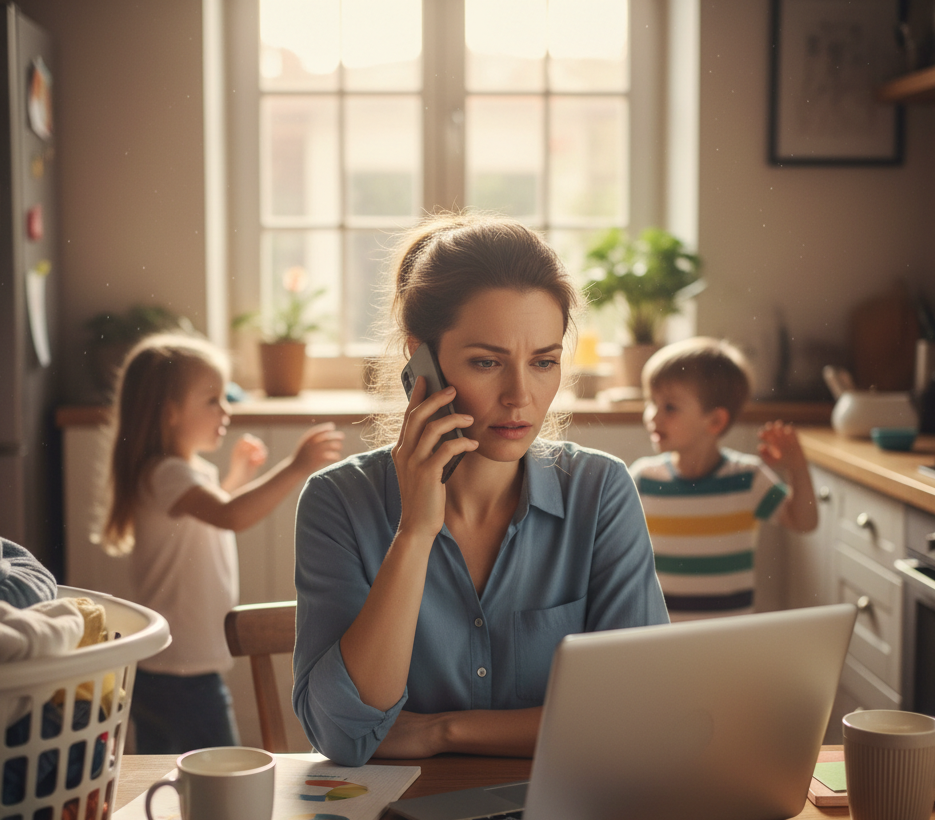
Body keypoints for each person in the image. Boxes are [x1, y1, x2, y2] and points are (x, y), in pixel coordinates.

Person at [292, 214, 669, 767]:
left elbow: (636, 719)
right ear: (422, 362)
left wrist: (442, 731)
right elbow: (342, 735)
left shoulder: (601, 491)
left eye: (543, 362)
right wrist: (415, 533)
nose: (521, 396)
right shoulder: (338, 502)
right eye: (487, 362)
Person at [100, 333, 344, 754]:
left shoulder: (180, 473)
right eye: (212, 399)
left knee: (168, 775)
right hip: (182, 671)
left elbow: (211, 518)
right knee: (219, 772)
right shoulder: (169, 474)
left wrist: (236, 477)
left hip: (167, 666)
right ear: (171, 412)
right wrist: (295, 468)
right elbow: (230, 516)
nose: (225, 409)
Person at [629, 337, 818, 621]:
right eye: (651, 402)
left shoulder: (747, 478)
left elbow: (804, 522)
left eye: (669, 407)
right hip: (659, 636)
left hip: (728, 643)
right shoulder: (642, 479)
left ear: (715, 421)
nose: (652, 416)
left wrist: (797, 467)